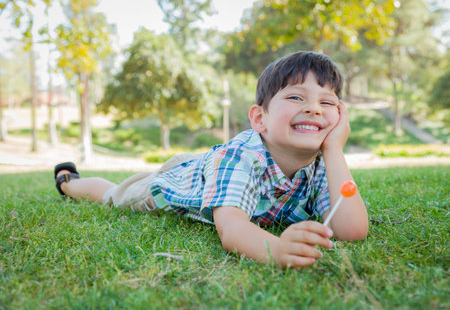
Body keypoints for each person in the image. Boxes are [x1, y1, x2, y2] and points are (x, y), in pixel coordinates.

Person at [54, 51, 368, 270]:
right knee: (115, 195)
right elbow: (231, 228)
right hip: (179, 180)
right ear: (259, 118)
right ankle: (70, 182)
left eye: (327, 102)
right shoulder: (242, 156)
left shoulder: (326, 164)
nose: (314, 109)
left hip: (208, 166)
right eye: (296, 97)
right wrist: (277, 249)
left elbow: (352, 230)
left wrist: (334, 149)